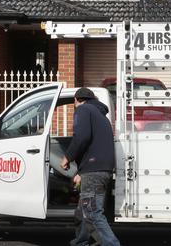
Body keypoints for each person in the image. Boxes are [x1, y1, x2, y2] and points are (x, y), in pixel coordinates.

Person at [61, 87, 120, 246]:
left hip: (94, 172)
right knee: (82, 212)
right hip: (100, 170)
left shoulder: (83, 109)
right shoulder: (101, 116)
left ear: (77, 99)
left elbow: (81, 137)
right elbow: (94, 146)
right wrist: (81, 171)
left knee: (92, 213)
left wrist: (67, 157)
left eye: (74, 101)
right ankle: (81, 242)